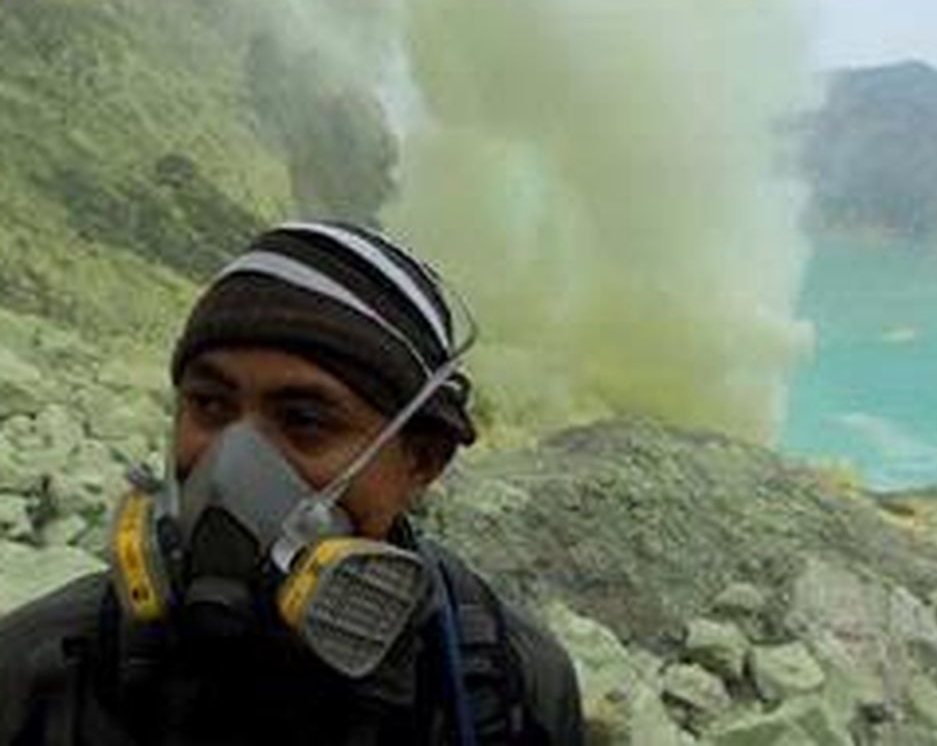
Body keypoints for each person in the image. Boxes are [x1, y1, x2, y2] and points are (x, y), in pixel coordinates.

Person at [0, 221, 584, 745]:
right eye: (209, 404)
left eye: (304, 420)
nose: (231, 466)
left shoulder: (506, 687)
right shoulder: (34, 671)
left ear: (421, 461)